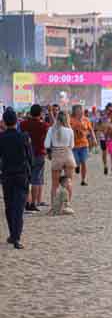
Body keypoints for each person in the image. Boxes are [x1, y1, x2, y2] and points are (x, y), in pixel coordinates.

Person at [0, 109, 33, 249]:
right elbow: (30, 157)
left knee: (9, 206)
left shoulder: (1, 137)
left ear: (4, 122)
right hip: (21, 175)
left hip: (7, 175)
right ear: (16, 121)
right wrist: (29, 174)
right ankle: (16, 237)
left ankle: (13, 234)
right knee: (19, 207)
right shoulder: (24, 137)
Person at [44, 111, 76, 213]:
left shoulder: (51, 130)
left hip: (57, 155)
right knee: (69, 181)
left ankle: (54, 207)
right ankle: (67, 205)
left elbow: (46, 144)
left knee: (55, 184)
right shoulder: (70, 130)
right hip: (68, 154)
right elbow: (72, 145)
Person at [20, 104, 49, 212]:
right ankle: (34, 203)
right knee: (36, 179)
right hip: (39, 153)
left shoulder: (23, 124)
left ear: (30, 112)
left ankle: (27, 202)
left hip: (26, 154)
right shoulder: (44, 126)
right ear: (40, 113)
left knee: (27, 178)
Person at [70, 104, 95, 186]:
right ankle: (77, 166)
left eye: (81, 110)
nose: (81, 111)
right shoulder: (70, 120)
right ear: (75, 111)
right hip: (74, 145)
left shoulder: (86, 120)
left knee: (83, 162)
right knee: (76, 161)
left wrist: (94, 138)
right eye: (79, 110)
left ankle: (83, 180)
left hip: (84, 144)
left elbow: (91, 130)